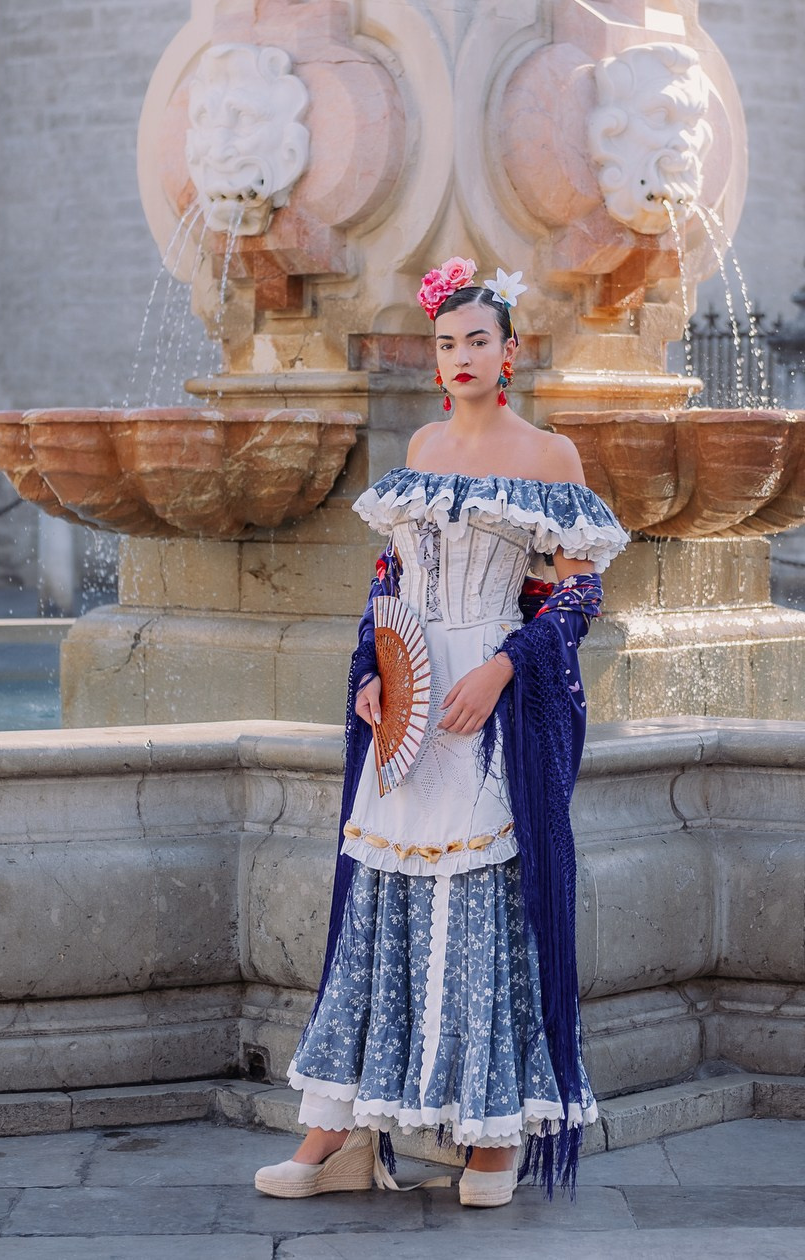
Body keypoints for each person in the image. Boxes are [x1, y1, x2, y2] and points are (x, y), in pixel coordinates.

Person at [254, 258, 629, 1207]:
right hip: (410, 698)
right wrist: (371, 675)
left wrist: (505, 668)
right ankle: (338, 1132)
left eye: (477, 341)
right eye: (445, 343)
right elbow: (389, 581)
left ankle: (492, 1137)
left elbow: (581, 592)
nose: (459, 356)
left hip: (486, 701)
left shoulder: (550, 458)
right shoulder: (419, 444)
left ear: (510, 353)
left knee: (482, 905)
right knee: (380, 901)